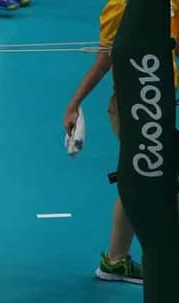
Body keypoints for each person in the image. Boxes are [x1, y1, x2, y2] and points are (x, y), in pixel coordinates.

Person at [63, 0, 179, 284]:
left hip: (164, 101)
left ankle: (115, 261)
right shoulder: (120, 6)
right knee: (153, 179)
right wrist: (74, 104)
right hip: (136, 107)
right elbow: (104, 60)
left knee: (137, 178)